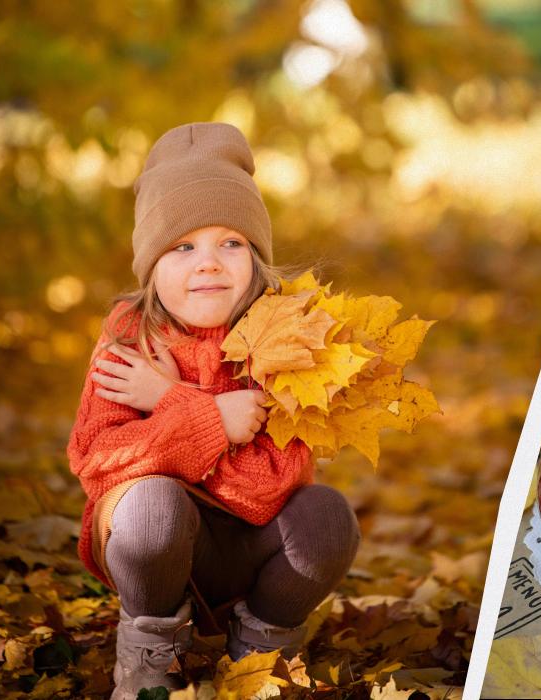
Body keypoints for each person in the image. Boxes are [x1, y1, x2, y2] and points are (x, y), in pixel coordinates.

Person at [66, 122, 361, 700]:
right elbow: (98, 464)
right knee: (149, 505)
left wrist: (173, 403)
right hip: (157, 549)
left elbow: (274, 487)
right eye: (182, 246)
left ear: (255, 257)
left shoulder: (284, 337)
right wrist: (209, 418)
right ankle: (151, 653)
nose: (208, 263)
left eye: (230, 242)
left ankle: (259, 650)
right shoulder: (132, 337)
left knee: (327, 517)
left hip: (256, 547)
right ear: (151, 263)